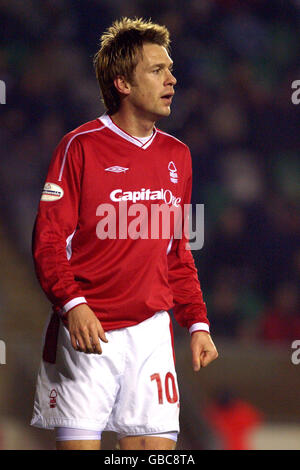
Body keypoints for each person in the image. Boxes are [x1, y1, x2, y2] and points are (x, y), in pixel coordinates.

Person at [30, 17, 218, 451]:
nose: (172, 79)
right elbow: (48, 241)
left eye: (170, 69)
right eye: (157, 70)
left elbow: (177, 252)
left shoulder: (178, 156)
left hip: (151, 332)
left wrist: (197, 322)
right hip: (87, 328)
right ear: (123, 83)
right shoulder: (80, 146)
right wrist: (72, 305)